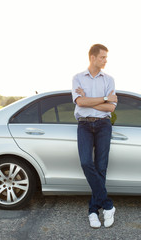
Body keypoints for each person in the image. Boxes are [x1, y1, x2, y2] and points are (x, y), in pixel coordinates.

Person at [72, 44, 118, 228]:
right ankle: (108, 205)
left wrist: (89, 102)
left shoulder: (109, 80)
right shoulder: (77, 78)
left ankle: (93, 211)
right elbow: (80, 102)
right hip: (84, 124)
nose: (106, 60)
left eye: (106, 57)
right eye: (103, 57)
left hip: (103, 125)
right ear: (92, 57)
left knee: (101, 167)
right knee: (85, 162)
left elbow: (111, 107)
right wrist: (104, 99)